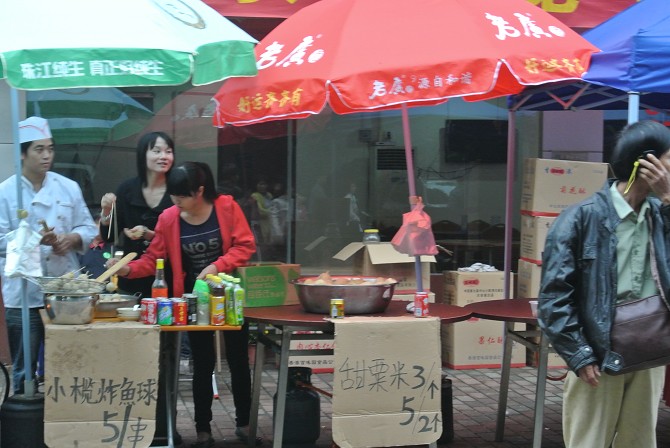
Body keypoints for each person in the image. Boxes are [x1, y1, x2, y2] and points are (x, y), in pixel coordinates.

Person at [538, 120, 670, 448]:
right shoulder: (580, 219)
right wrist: (579, 354)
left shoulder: (661, 213)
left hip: (650, 347)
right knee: (589, 441)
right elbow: (554, 297)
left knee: (640, 440)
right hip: (597, 351)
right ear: (647, 164)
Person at [109, 162, 257, 448]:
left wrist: (215, 265)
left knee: (239, 361)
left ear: (199, 191)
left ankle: (244, 423)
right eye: (173, 196)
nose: (176, 202)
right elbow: (153, 259)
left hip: (230, 297)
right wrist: (127, 269)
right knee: (202, 363)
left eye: (181, 196)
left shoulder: (226, 207)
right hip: (193, 302)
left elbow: (245, 246)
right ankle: (203, 429)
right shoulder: (168, 218)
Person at [0, 116, 97, 394]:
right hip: (22, 292)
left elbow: (87, 228)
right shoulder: (5, 192)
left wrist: (71, 239)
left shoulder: (68, 187)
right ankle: (24, 411)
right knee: (24, 368)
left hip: (65, 290)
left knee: (68, 362)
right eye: (39, 149)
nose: (47, 156)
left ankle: (64, 413)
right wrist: (34, 240)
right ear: (22, 153)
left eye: (50, 149)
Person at [99, 131, 176, 298]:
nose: (164, 156)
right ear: (143, 154)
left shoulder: (178, 190)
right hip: (131, 278)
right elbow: (109, 236)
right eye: (157, 151)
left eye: (168, 152)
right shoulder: (127, 189)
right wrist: (106, 211)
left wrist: (149, 234)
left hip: (170, 280)